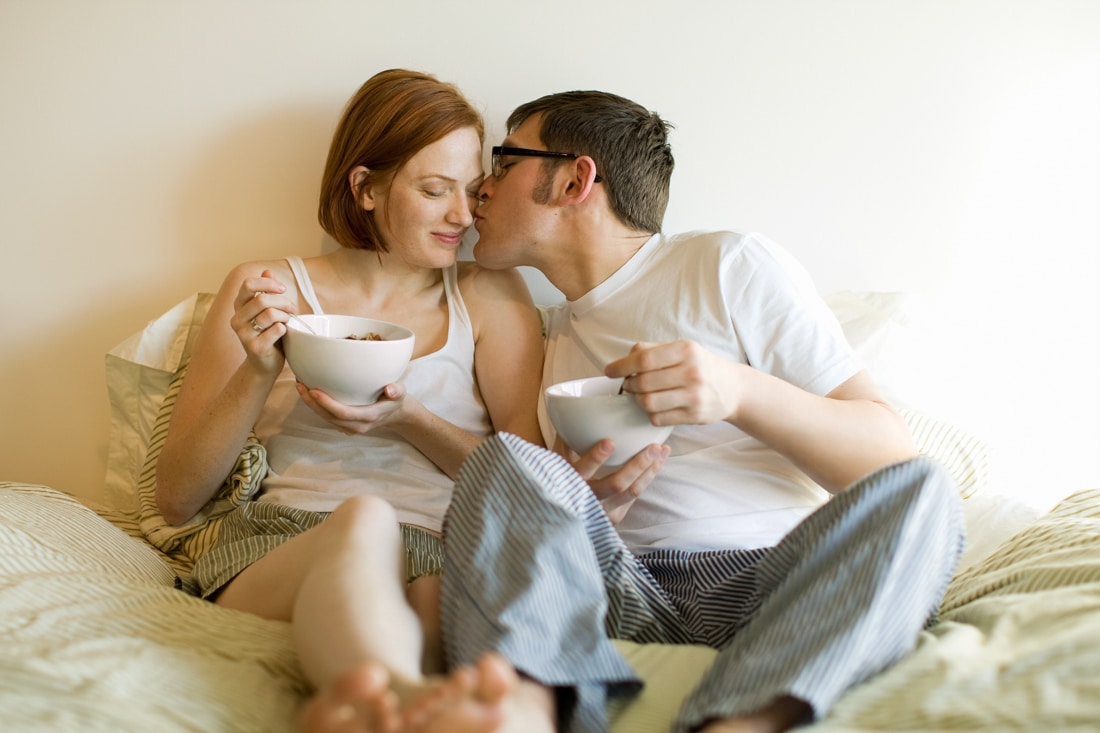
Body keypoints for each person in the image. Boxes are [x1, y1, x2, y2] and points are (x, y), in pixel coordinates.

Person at [421, 90, 967, 733]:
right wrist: (596, 500)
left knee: (926, 489)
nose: (480, 187)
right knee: (509, 460)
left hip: (770, 580)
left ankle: (739, 724)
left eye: (504, 159)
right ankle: (529, 710)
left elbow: (888, 457)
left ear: (575, 178)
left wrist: (737, 391)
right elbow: (560, 521)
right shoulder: (550, 337)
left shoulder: (725, 264)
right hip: (621, 587)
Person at [154, 69, 551, 731]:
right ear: (364, 187)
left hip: (438, 549)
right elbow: (177, 497)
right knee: (364, 519)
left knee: (438, 603)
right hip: (283, 545)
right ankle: (388, 695)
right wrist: (258, 369)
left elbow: (533, 482)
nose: (463, 215)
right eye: (434, 189)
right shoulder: (267, 287)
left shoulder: (490, 295)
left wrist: (409, 419)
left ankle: (391, 705)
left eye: (470, 189)